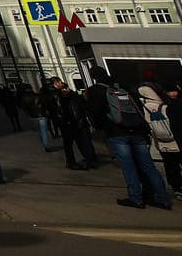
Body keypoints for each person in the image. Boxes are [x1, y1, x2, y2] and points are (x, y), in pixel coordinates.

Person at [87, 68, 172, 209]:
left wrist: (101, 127)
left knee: (128, 166)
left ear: (94, 77)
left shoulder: (97, 90)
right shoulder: (122, 87)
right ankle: (162, 198)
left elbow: (95, 112)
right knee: (148, 165)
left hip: (117, 132)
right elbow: (138, 106)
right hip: (137, 130)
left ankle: (136, 198)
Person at [136, 77, 180, 191]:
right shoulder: (168, 104)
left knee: (170, 165)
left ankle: (177, 187)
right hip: (176, 139)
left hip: (161, 141)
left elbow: (148, 124)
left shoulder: (146, 106)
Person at [51, 77, 101, 169]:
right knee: (74, 143)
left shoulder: (69, 94)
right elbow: (60, 109)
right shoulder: (58, 95)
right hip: (69, 122)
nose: (61, 84)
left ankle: (89, 160)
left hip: (75, 120)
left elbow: (79, 104)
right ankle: (75, 162)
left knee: (81, 141)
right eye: (58, 83)